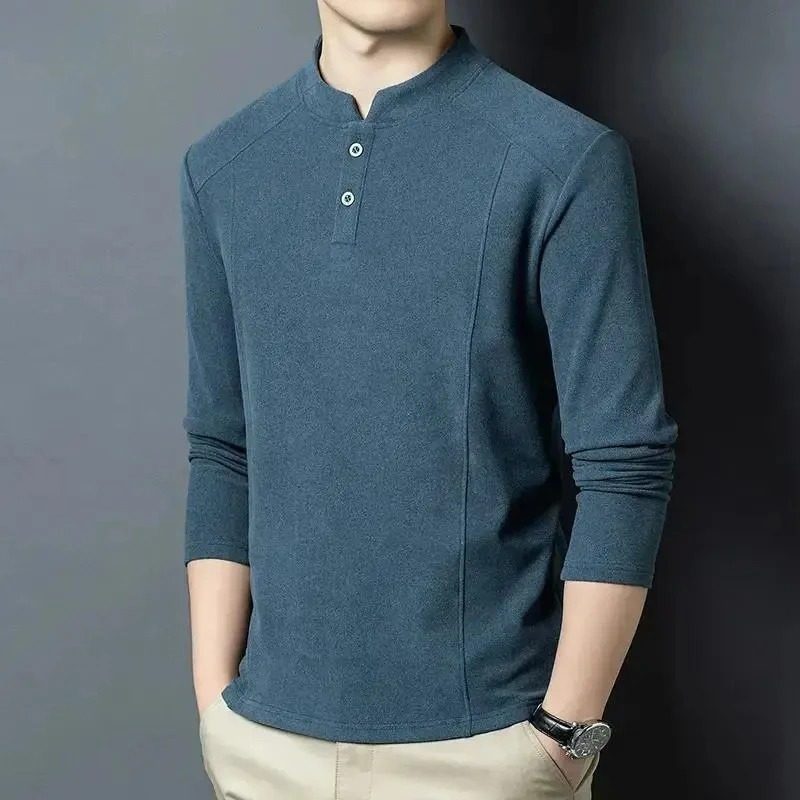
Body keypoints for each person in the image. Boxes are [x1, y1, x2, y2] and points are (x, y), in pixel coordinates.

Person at [179, 1, 679, 798]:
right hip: (266, 750)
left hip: (487, 755)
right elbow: (222, 446)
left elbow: (626, 460)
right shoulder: (223, 167)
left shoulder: (563, 159)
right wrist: (218, 710)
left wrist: (561, 736)